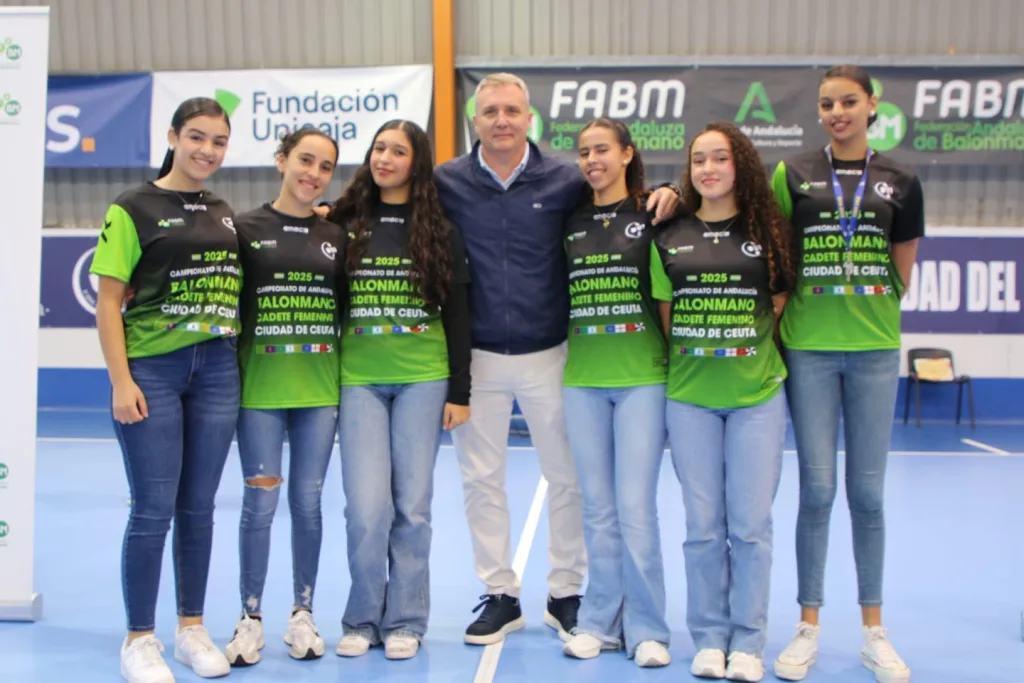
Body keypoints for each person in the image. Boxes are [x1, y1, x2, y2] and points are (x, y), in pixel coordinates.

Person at [432, 71, 680, 646]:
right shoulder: (447, 181)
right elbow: (385, 198)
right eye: (490, 111)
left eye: (511, 111)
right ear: (474, 120)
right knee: (481, 480)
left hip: (552, 353)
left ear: (529, 118)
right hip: (477, 356)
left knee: (568, 479)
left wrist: (671, 190)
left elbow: (620, 196)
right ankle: (500, 593)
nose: (501, 120)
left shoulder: (565, 179)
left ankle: (566, 591)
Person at [770, 65, 923, 683]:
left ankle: (873, 632)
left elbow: (901, 270)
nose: (838, 112)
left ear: (871, 105)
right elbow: (778, 255)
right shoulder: (793, 173)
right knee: (817, 491)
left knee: (867, 495)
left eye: (849, 101)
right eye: (828, 103)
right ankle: (807, 626)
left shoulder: (901, 181)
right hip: (808, 348)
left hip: (874, 350)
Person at [91, 96, 240, 683]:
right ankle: (139, 638)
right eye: (197, 137)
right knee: (153, 508)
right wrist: (121, 380)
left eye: (219, 141)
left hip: (218, 371)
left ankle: (191, 629)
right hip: (153, 370)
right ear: (174, 137)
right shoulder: (132, 208)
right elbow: (108, 302)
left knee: (199, 508)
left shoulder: (224, 211)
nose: (207, 150)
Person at [650, 121, 795, 682]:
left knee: (751, 527)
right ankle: (709, 638)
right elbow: (668, 319)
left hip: (756, 398)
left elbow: (777, 306)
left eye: (720, 158)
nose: (708, 169)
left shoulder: (769, 232)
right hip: (690, 399)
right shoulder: (670, 236)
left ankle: (749, 642)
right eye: (699, 160)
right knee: (703, 526)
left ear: (741, 166)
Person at [327, 119, 472, 660]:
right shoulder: (344, 224)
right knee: (366, 509)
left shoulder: (439, 229)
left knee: (412, 507)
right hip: (359, 379)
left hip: (423, 379)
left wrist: (460, 391)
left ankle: (406, 620)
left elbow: (458, 313)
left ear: (417, 163)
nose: (384, 158)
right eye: (378, 148)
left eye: (398, 151)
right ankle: (362, 618)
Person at [223, 128, 346, 666]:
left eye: (325, 166)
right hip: (260, 393)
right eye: (305, 160)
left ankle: (303, 614)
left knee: (308, 504)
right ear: (281, 161)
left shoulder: (337, 234)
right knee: (260, 505)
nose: (313, 173)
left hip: (319, 392)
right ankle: (249, 617)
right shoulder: (243, 229)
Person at [558, 118, 671, 667]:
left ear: (627, 154)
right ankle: (600, 622)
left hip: (641, 380)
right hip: (582, 380)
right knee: (598, 510)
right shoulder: (571, 221)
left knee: (635, 508)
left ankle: (648, 629)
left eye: (601, 149)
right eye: (584, 152)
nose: (591, 160)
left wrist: (673, 191)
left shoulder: (653, 214)